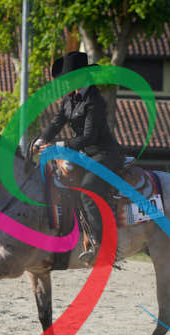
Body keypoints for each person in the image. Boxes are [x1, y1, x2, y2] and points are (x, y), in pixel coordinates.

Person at [34, 51, 123, 265]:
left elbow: (89, 137)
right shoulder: (69, 98)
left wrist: (57, 146)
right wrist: (40, 140)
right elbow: (57, 122)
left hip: (105, 154)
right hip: (85, 155)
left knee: (88, 191)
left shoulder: (95, 101)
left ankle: (102, 246)